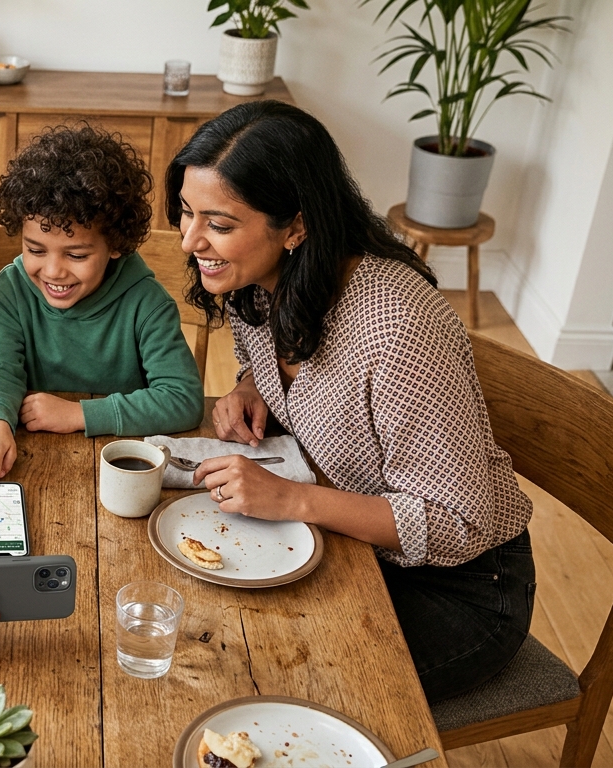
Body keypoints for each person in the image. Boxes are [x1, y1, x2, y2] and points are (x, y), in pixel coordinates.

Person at [167, 100, 534, 702]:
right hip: (352, 546)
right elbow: (293, 366)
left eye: (220, 224)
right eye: (186, 212)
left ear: (296, 226)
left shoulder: (396, 323)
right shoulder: (259, 282)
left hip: (459, 588)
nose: (189, 241)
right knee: (203, 631)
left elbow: (458, 522)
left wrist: (291, 499)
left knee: (256, 681)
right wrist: (251, 384)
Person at [0, 125, 204, 486]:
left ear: (116, 245)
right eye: (35, 249)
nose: (53, 271)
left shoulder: (147, 303)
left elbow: (182, 400)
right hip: (35, 462)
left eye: (76, 255)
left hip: (121, 468)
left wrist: (80, 414)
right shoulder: (12, 290)